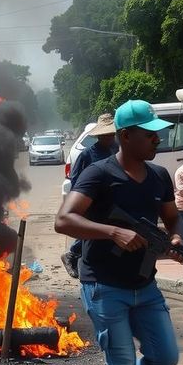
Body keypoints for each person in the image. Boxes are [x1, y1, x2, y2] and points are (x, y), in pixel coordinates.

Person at [54, 99, 183, 365]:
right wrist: (112, 232)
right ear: (125, 137)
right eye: (149, 134)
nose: (157, 139)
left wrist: (175, 237)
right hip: (103, 285)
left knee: (166, 356)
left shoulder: (160, 175)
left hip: (144, 285)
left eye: (157, 133)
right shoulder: (98, 174)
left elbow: (172, 216)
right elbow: (64, 219)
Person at [60, 113, 118, 279]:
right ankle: (72, 255)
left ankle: (102, 263)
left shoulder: (116, 150)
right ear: (99, 136)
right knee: (92, 231)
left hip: (112, 200)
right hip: (92, 201)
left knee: (108, 232)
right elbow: (76, 179)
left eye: (112, 134)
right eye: (106, 135)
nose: (110, 138)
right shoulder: (87, 155)